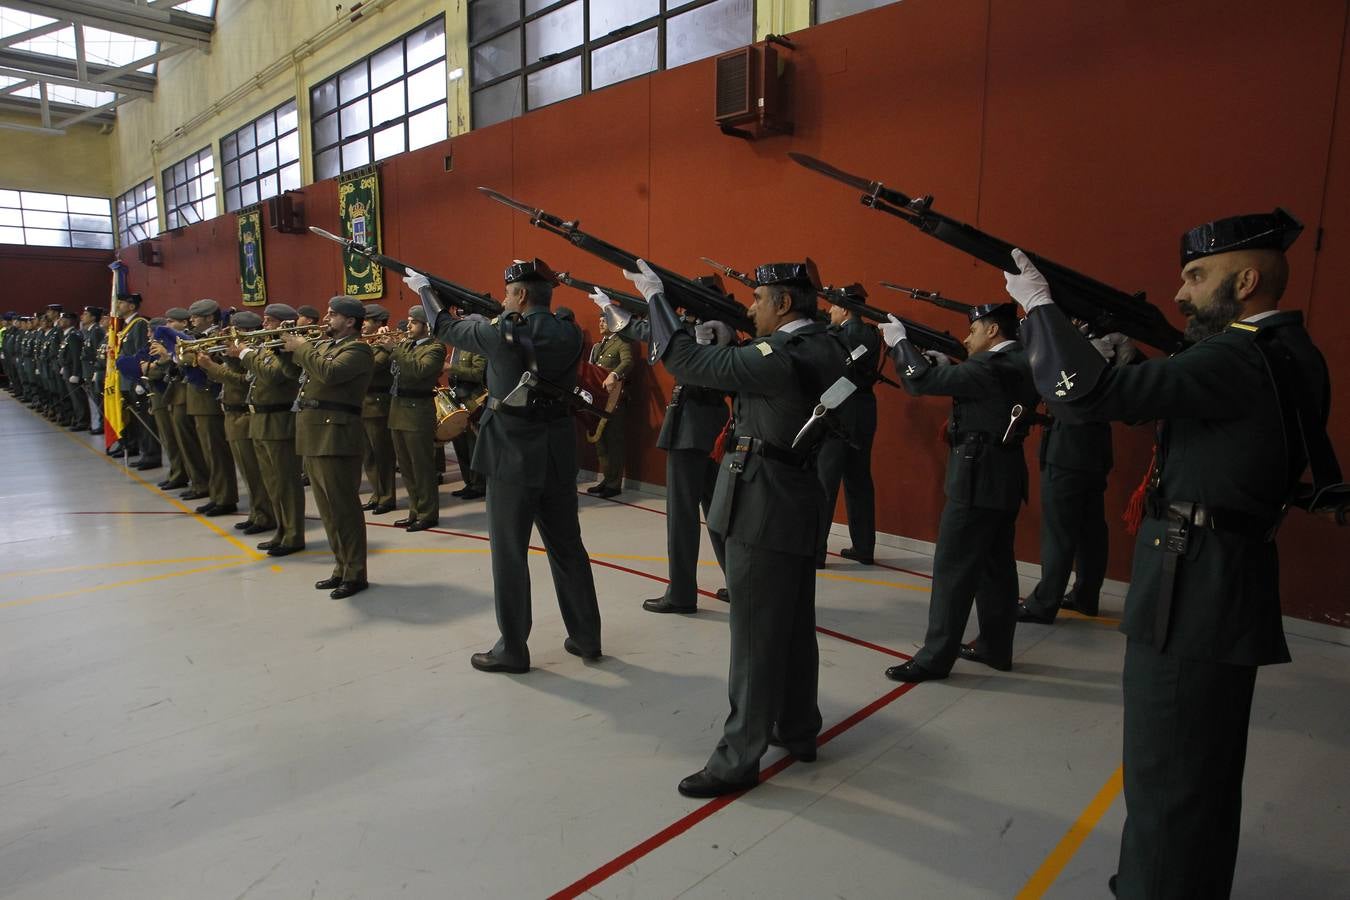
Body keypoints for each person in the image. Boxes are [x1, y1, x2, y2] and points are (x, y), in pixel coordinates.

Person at [1006, 210, 1329, 900]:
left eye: (1196, 276)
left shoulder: (1235, 356)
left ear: (1246, 281)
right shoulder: (1287, 348)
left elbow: (1085, 397)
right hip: (1225, 574)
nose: (1180, 293)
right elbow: (1182, 407)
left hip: (1193, 584)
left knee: (1168, 768)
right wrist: (1124, 357)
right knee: (1202, 769)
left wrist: (1040, 309)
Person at [623, 259, 849, 798]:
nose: (750, 308)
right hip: (797, 497)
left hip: (762, 502)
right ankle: (798, 728)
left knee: (752, 638)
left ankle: (737, 757)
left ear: (784, 304)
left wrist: (656, 298)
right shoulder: (824, 344)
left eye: (759, 299)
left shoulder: (779, 355)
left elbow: (683, 359)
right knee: (793, 626)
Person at [406, 258, 602, 674]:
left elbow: (442, 326)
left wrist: (424, 289)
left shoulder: (501, 334)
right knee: (568, 548)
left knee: (510, 554)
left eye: (509, 294)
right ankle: (587, 636)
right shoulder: (570, 332)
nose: (504, 300)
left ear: (521, 295)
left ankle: (512, 648)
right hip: (557, 452)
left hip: (512, 455)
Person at [880, 302, 1039, 683]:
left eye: (973, 330)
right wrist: (947, 367)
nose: (967, 339)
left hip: (976, 476)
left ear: (992, 330)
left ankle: (935, 657)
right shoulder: (1019, 360)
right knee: (996, 567)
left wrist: (900, 343)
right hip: (1004, 474)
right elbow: (977, 389)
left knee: (952, 569)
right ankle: (995, 646)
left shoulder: (988, 365)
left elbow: (919, 382)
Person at [281, 296, 375, 598]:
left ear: (350, 321)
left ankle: (355, 573)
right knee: (327, 510)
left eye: (333, 314)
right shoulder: (323, 347)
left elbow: (330, 374)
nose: (326, 317)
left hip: (335, 434)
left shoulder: (358, 349)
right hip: (313, 433)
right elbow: (295, 374)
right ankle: (341, 567)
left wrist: (302, 348)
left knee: (343, 508)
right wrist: (283, 352)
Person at [235, 303, 306, 556]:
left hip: (279, 421)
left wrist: (245, 354)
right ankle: (281, 530)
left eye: (269, 320)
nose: (264, 325)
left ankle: (294, 535)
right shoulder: (266, 347)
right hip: (260, 421)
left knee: (286, 482)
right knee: (272, 483)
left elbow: (273, 375)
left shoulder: (286, 348)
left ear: (283, 323)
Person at [197, 311, 276, 536]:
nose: (228, 333)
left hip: (244, 415)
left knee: (254, 472)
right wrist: (218, 360)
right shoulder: (240, 351)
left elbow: (243, 382)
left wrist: (213, 366)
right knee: (247, 472)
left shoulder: (254, 351)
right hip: (232, 414)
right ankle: (256, 512)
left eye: (234, 329)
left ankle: (265, 515)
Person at [815, 298, 880, 567]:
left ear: (844, 309)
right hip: (864, 408)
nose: (830, 310)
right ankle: (864, 547)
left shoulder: (839, 334)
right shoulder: (872, 334)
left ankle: (815, 551)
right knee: (859, 480)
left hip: (840, 407)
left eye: (833, 306)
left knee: (825, 481)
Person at [388, 306, 447, 531]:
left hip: (417, 411)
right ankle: (415, 510)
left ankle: (428, 513)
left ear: (426, 326)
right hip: (398, 410)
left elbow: (419, 371)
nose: (408, 325)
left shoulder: (435, 348)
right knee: (406, 467)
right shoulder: (406, 345)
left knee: (422, 467)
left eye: (414, 322)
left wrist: (395, 350)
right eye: (409, 321)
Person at [178, 299, 238, 516]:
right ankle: (216, 494)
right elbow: (183, 359)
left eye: (197, 316)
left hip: (209, 400)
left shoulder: (217, 337)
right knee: (208, 452)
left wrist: (190, 357)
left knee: (216, 452)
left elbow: (210, 363)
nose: (192, 319)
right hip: (198, 400)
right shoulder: (195, 336)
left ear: (210, 317)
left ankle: (225, 497)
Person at [586, 309, 635, 498]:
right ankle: (607, 479)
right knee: (601, 441)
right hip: (599, 398)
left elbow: (628, 362)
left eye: (604, 321)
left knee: (613, 440)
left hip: (614, 399)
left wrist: (614, 374)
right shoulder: (598, 346)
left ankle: (614, 484)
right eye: (600, 320)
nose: (600, 324)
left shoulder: (622, 342)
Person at [360, 303, 397, 514]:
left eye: (366, 320)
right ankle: (377, 493)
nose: (362, 324)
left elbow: (373, 366)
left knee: (382, 454)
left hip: (378, 405)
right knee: (368, 455)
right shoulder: (363, 342)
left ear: (379, 322)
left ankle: (387, 496)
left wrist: (382, 344)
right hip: (362, 404)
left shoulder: (386, 343)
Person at [445, 342, 487, 500]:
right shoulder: (457, 346)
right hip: (457, 400)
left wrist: (451, 368)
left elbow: (479, 373)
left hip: (472, 401)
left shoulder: (475, 346)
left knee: (473, 444)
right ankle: (469, 482)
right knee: (460, 444)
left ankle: (479, 485)